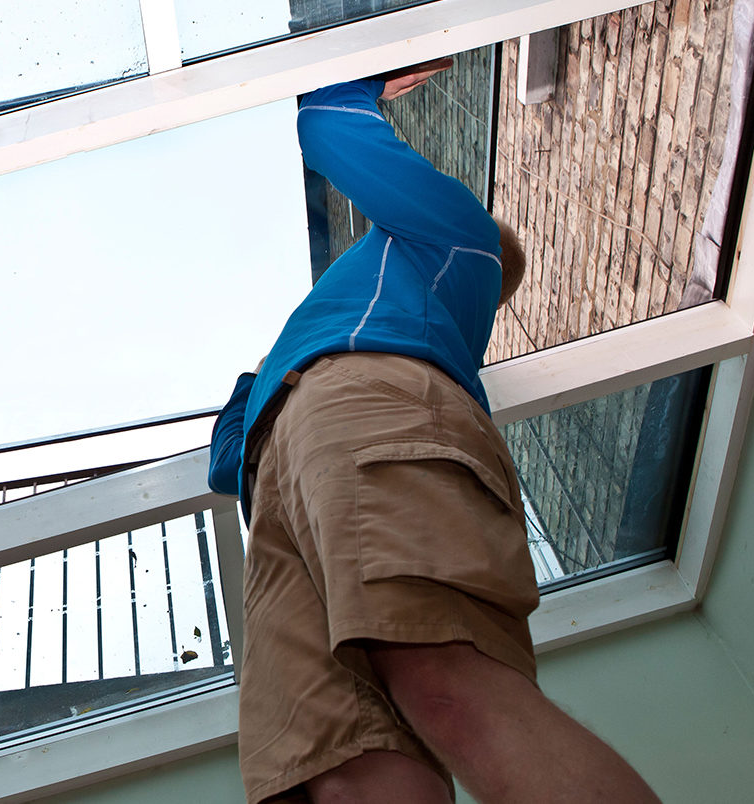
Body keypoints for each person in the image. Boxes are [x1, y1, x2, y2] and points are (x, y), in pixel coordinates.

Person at [208, 62, 660, 803]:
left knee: (443, 684)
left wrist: (376, 70)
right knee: (338, 775)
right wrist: (264, 375)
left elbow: (325, 120)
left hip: (357, 406)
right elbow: (230, 463)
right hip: (288, 467)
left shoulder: (463, 239)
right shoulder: (342, 323)